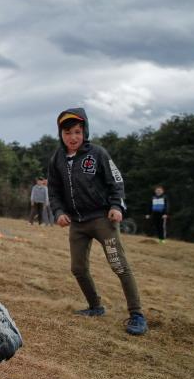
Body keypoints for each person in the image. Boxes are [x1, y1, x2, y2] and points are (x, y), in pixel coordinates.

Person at [47, 108, 146, 337]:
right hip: (78, 224)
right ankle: (95, 307)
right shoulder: (57, 159)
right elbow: (53, 190)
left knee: (119, 265)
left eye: (77, 132)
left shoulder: (98, 154)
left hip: (103, 220)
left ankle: (137, 315)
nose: (73, 137)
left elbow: (116, 181)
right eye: (68, 132)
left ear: (85, 132)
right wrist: (59, 211)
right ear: (61, 134)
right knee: (78, 269)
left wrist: (116, 206)